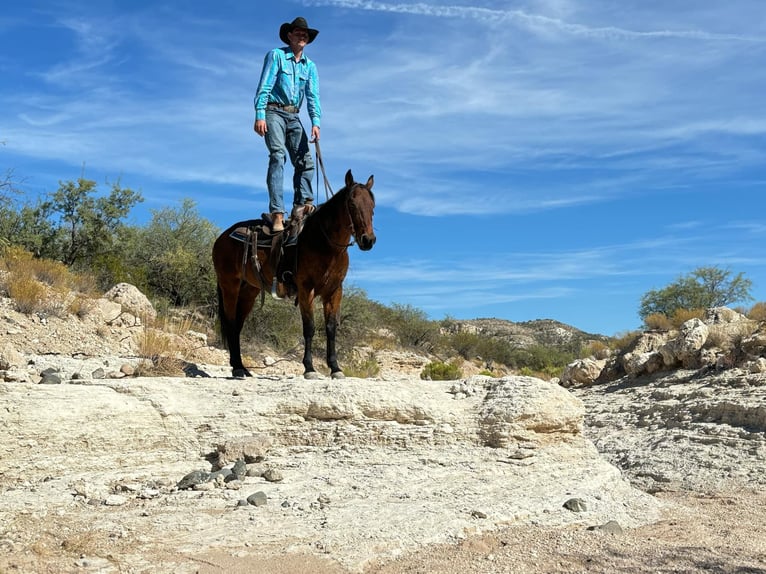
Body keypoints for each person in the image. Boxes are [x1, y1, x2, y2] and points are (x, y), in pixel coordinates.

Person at [253, 16, 321, 233]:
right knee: (277, 155)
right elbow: (265, 85)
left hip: (294, 115)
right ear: (289, 35)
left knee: (306, 161)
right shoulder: (276, 56)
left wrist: (315, 122)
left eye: (306, 34)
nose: (302, 36)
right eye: (298, 32)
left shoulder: (310, 67)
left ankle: (301, 207)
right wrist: (260, 114)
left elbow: (313, 96)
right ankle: (277, 214)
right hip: (273, 111)